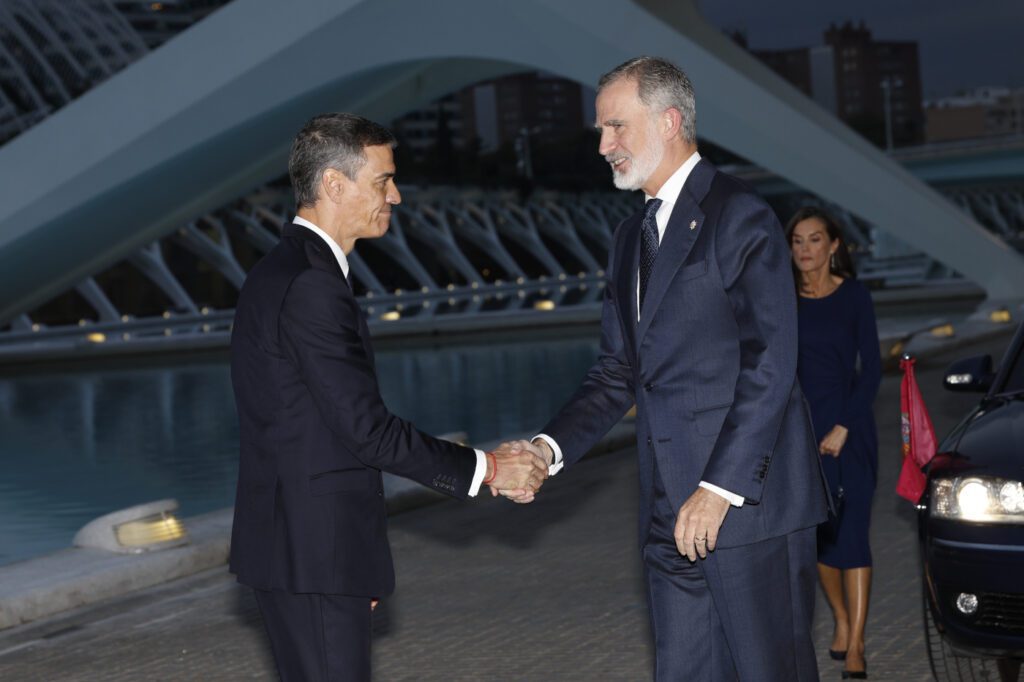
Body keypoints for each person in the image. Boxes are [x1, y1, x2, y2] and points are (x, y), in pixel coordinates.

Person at [505, 57, 829, 680]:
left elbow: (772, 363)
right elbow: (615, 374)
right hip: (666, 512)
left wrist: (717, 489)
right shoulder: (631, 238)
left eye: (616, 127)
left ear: (670, 120)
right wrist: (547, 451)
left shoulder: (741, 215)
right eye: (602, 131)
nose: (604, 145)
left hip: (744, 510)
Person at [228, 113, 549, 682]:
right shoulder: (311, 284)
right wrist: (490, 468)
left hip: (307, 552)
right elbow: (367, 430)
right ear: (333, 184)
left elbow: (311, 429)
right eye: (382, 180)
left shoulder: (285, 270)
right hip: (316, 557)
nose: (395, 196)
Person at [787, 206, 881, 679]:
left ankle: (858, 643)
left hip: (853, 429)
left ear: (834, 246)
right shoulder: (785, 301)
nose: (805, 250)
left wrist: (845, 425)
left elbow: (874, 369)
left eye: (815, 240)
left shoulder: (855, 296)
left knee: (855, 537)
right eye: (798, 241)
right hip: (804, 435)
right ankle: (842, 621)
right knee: (821, 541)